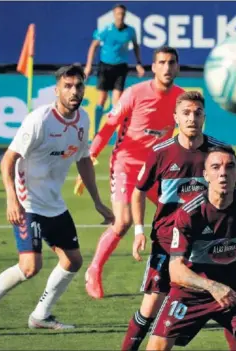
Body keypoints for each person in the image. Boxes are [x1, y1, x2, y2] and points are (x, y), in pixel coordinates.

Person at [0, 65, 114, 339]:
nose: (74, 91)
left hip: (53, 203)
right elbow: (9, 159)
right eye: (67, 86)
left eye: (78, 86)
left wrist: (97, 202)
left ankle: (41, 315)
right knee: (30, 266)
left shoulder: (83, 119)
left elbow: (83, 160)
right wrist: (13, 201)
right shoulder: (39, 120)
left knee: (73, 261)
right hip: (27, 202)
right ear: (57, 90)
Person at [121, 91, 236, 351]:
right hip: (167, 244)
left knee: (228, 306)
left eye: (197, 113)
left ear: (204, 117)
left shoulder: (217, 153)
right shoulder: (161, 152)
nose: (192, 118)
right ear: (176, 117)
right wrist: (139, 232)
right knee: (150, 308)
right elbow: (138, 191)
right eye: (186, 113)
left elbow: (232, 198)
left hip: (207, 244)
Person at [146, 145, 236, 351]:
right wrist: (212, 287)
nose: (223, 173)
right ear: (206, 175)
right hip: (189, 294)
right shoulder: (190, 213)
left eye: (230, 166)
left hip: (231, 289)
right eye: (216, 167)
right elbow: (176, 271)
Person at [75, 46, 184, 300]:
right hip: (126, 164)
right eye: (162, 62)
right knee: (122, 221)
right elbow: (109, 125)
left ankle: (178, 275)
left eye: (172, 63)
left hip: (157, 169)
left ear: (177, 67)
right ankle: (94, 270)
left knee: (180, 218)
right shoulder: (134, 93)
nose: (167, 67)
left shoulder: (181, 97)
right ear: (153, 66)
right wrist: (90, 157)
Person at [84, 3, 145, 134]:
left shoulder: (130, 31)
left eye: (122, 14)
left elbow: (135, 46)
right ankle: (96, 131)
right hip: (105, 66)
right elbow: (93, 46)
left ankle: (118, 133)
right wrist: (88, 65)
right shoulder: (106, 30)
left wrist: (139, 63)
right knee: (102, 99)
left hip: (121, 68)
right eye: (118, 14)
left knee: (117, 102)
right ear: (114, 15)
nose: (120, 16)